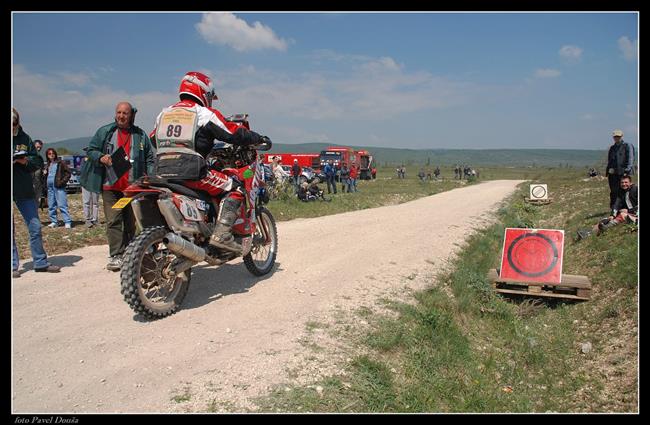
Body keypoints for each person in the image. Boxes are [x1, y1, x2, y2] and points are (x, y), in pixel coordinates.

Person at [151, 71, 268, 253]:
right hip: (191, 171)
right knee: (235, 186)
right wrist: (257, 138)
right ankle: (222, 234)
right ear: (203, 92)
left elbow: (153, 139)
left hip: (161, 170)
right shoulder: (204, 113)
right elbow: (232, 133)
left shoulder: (164, 114)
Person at [80, 101, 155, 271]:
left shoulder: (140, 134)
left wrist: (149, 176)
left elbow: (150, 157)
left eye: (125, 113)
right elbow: (91, 150)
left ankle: (130, 253)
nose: (121, 116)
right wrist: (101, 157)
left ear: (131, 115)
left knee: (131, 222)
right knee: (114, 220)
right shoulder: (106, 132)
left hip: (132, 188)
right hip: (110, 188)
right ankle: (116, 255)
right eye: (119, 112)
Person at [12, 108, 60, 277]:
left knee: (35, 226)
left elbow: (37, 161)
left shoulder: (25, 139)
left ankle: (40, 262)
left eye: (14, 124)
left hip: (24, 188)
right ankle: (13, 265)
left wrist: (24, 161)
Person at [606, 129, 635, 210]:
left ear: (621, 136)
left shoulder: (627, 145)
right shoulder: (612, 148)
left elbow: (631, 158)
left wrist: (627, 170)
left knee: (624, 190)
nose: (617, 138)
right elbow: (610, 160)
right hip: (613, 174)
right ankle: (614, 209)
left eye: (618, 136)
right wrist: (608, 171)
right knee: (613, 191)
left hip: (623, 172)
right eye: (615, 136)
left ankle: (626, 207)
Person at [43, 148, 73, 228]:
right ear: (47, 155)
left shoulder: (61, 163)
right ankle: (54, 221)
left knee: (62, 204)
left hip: (59, 186)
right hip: (49, 187)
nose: (51, 155)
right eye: (49, 153)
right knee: (51, 205)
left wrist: (62, 182)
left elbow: (68, 173)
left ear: (55, 154)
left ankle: (67, 221)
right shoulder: (47, 164)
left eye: (53, 153)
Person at [81, 153, 100, 227]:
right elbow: (82, 171)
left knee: (95, 202)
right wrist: (86, 162)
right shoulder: (84, 160)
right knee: (86, 202)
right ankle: (87, 219)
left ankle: (95, 219)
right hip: (86, 183)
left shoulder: (97, 161)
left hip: (95, 183)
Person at [32, 139, 47, 210]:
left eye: (40, 148)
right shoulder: (28, 156)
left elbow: (42, 168)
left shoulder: (40, 158)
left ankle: (35, 217)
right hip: (30, 183)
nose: (38, 149)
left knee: (37, 201)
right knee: (29, 201)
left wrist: (44, 170)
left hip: (38, 183)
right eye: (37, 147)